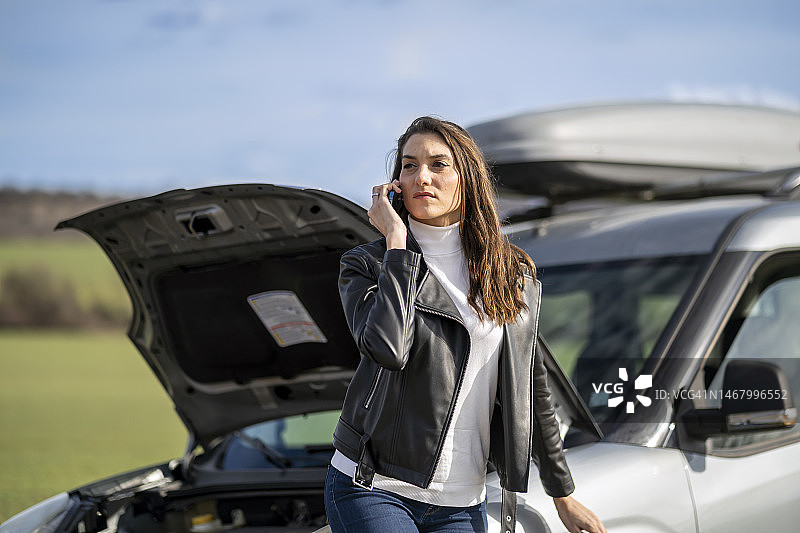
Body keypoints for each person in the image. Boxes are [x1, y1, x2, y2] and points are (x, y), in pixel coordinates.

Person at [324, 116, 605, 533]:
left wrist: (561, 493)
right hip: (373, 487)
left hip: (462, 501)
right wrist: (397, 246)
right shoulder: (367, 264)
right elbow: (388, 349)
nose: (422, 177)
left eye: (439, 165)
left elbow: (530, 387)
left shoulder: (509, 273)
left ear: (467, 178)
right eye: (409, 165)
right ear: (395, 181)